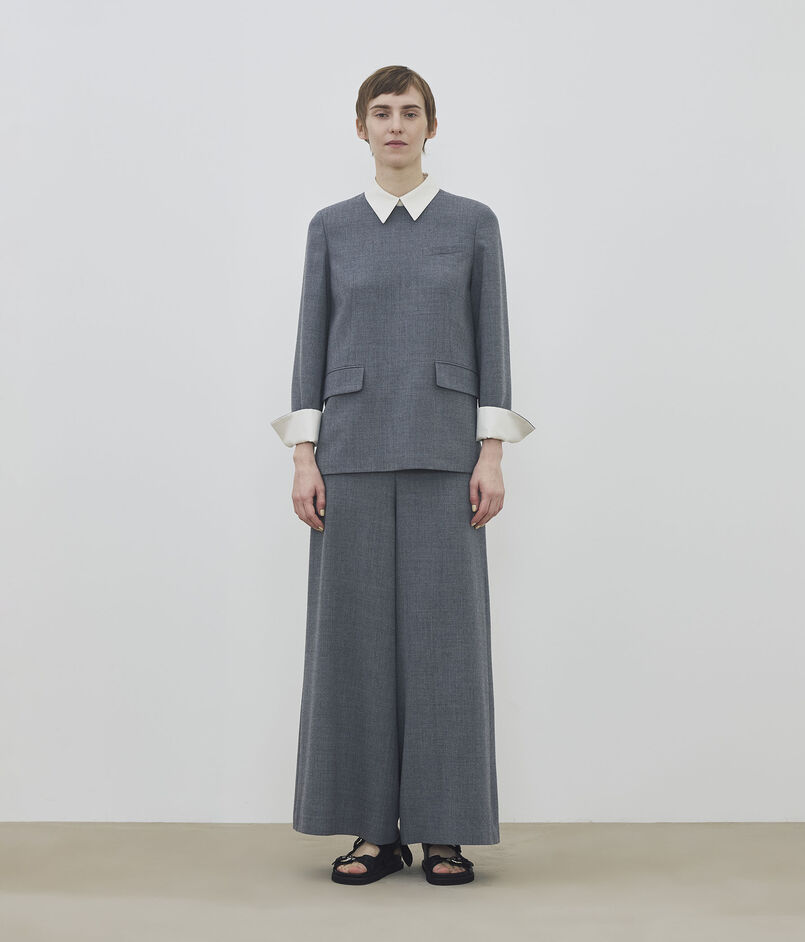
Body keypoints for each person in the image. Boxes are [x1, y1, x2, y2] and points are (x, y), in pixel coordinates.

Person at [271, 65, 534, 886]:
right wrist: (303, 455)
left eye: (409, 112)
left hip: (444, 451)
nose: (395, 125)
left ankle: (444, 829)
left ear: (430, 126)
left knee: (445, 647)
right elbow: (310, 340)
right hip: (348, 453)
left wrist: (491, 452)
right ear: (361, 128)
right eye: (381, 113)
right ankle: (371, 833)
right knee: (351, 648)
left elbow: (492, 338)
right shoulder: (330, 227)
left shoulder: (472, 223)